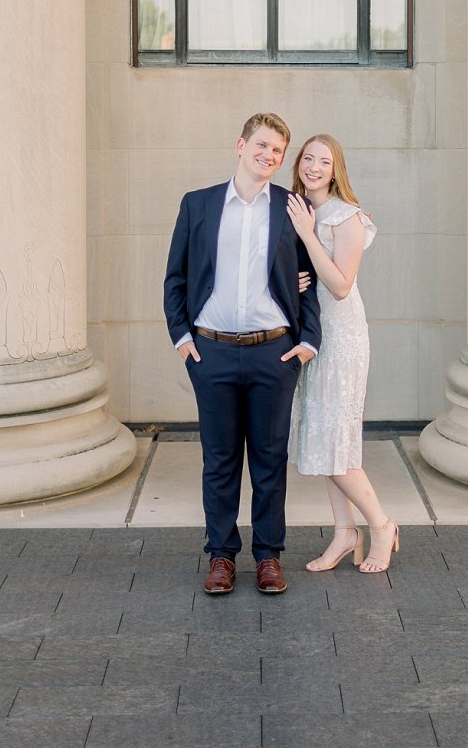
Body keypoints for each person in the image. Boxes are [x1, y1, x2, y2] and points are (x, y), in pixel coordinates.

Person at [164, 112, 321, 596]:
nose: (269, 156)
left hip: (273, 352)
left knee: (270, 459)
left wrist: (307, 342)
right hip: (210, 352)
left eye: (277, 150)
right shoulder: (199, 205)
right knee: (220, 459)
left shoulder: (290, 208)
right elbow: (177, 278)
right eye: (262, 145)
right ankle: (221, 556)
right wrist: (183, 339)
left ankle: (269, 556)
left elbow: (308, 279)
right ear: (241, 144)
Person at [285, 134, 400, 574]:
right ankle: (343, 532)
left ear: (336, 170)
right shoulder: (298, 207)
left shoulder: (347, 217)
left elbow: (340, 284)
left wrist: (308, 238)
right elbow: (304, 274)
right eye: (308, 158)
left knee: (337, 441)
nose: (314, 166)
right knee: (324, 440)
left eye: (324, 161)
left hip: (343, 337)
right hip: (312, 336)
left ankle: (381, 524)